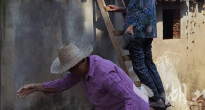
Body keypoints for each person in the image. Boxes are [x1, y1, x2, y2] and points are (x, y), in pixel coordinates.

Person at [106, 0, 170, 109]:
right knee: (149, 65)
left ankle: (154, 98)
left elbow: (146, 12)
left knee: (140, 67)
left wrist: (133, 27)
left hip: (139, 34)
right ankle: (161, 96)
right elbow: (137, 10)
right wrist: (119, 9)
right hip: (146, 34)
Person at [17, 43, 149, 110]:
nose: (69, 72)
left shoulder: (105, 73)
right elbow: (62, 84)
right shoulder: (81, 71)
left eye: (69, 69)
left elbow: (129, 97)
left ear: (78, 64)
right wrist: (36, 87)